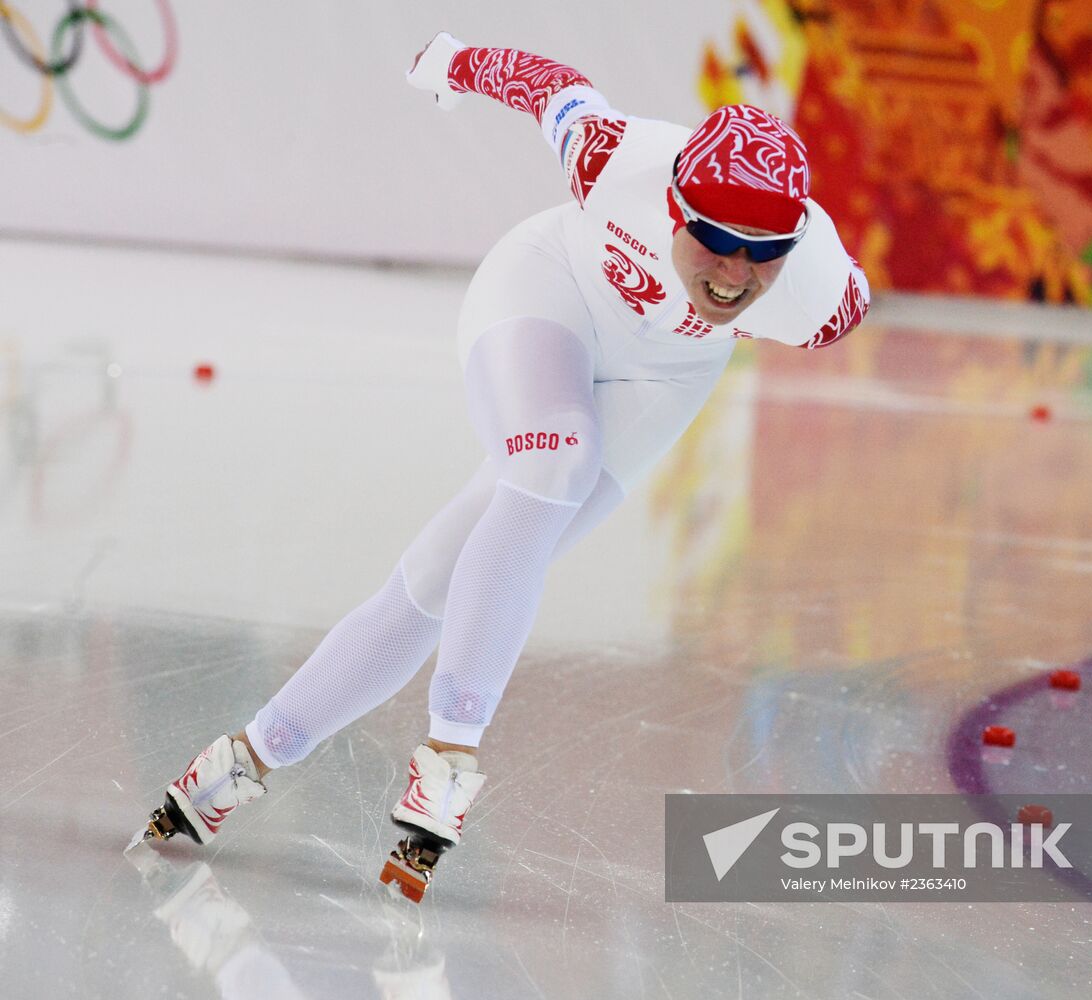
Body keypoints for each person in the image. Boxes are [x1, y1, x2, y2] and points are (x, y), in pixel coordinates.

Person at [129, 31, 870, 901]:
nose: (736, 272)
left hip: (661, 378)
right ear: (672, 209)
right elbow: (551, 84)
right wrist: (450, 59)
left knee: (449, 576)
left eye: (763, 250)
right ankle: (450, 751)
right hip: (546, 295)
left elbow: (800, 284)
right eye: (712, 237)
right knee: (555, 456)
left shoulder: (822, 297)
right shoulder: (615, 160)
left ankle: (246, 757)